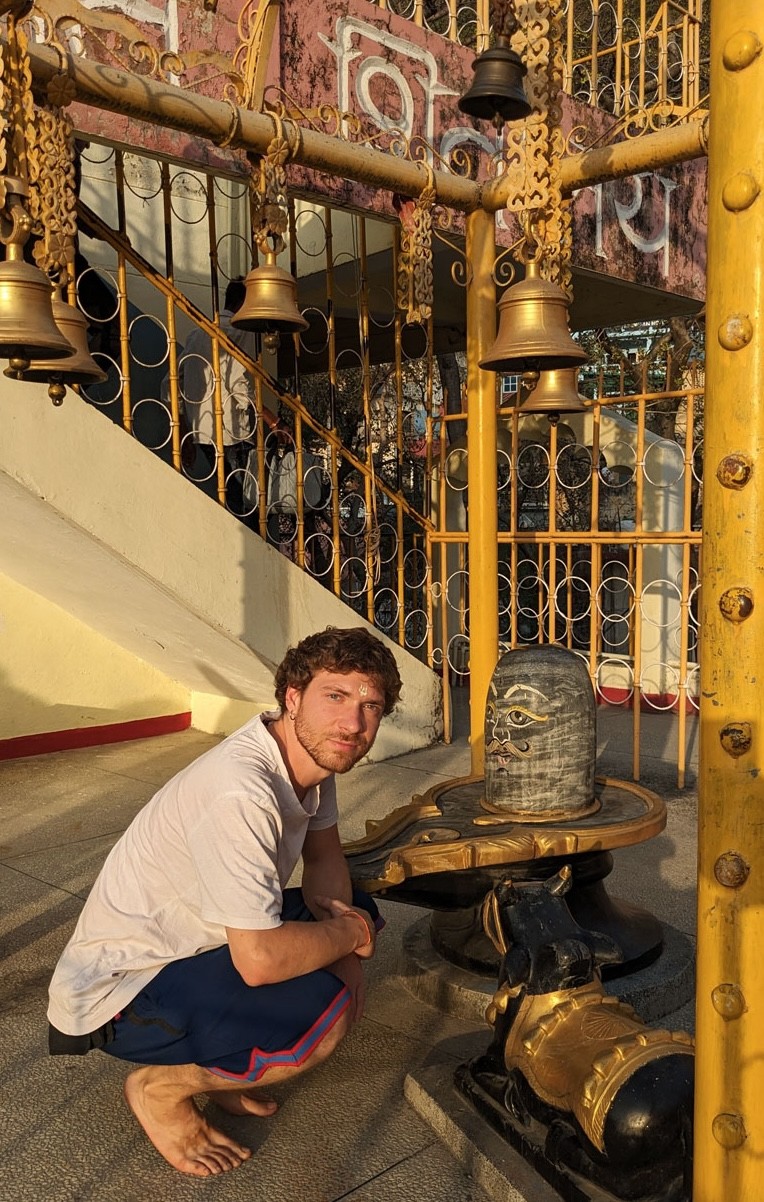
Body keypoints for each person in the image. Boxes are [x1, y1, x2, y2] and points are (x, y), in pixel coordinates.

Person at [48, 627, 402, 1178]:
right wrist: (348, 940)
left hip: (204, 942)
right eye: (336, 696)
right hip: (123, 988)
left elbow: (326, 859)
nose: (353, 724)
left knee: (354, 910)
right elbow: (259, 963)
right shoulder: (241, 790)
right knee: (320, 1021)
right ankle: (161, 1089)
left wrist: (343, 930)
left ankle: (233, 1065)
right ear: (292, 697)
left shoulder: (313, 759)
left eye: (370, 705)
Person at [177, 278, 279, 517]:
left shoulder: (198, 332)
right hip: (231, 432)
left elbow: (172, 381)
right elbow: (239, 385)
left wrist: (183, 426)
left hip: (201, 432)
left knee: (229, 498)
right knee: (246, 503)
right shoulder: (240, 331)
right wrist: (272, 420)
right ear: (243, 302)